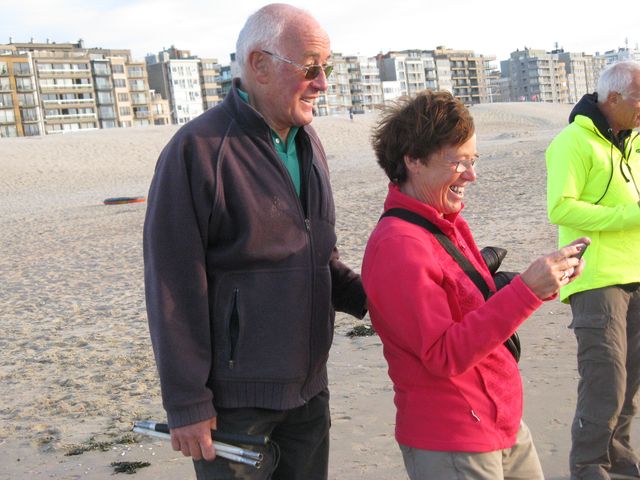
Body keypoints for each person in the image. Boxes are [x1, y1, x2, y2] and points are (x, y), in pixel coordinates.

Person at [143, 4, 367, 479]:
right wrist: (186, 402)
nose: (323, 83)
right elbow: (172, 287)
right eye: (310, 68)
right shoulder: (197, 150)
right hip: (234, 408)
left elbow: (319, 258)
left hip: (308, 395)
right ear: (258, 65)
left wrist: (386, 296)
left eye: (327, 68)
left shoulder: (309, 143)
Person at [361, 90, 588, 479]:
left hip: (500, 419)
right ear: (413, 160)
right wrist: (525, 291)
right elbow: (443, 354)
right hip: (452, 434)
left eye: (473, 160)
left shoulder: (445, 222)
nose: (472, 174)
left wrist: (542, 282)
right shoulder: (399, 244)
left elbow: (471, 307)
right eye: (459, 162)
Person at [546, 60, 640, 480]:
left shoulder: (636, 141)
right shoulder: (571, 142)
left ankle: (619, 462)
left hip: (637, 274)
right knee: (606, 380)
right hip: (595, 278)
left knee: (630, 386)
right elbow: (560, 207)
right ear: (614, 97)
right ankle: (588, 467)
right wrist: (628, 215)